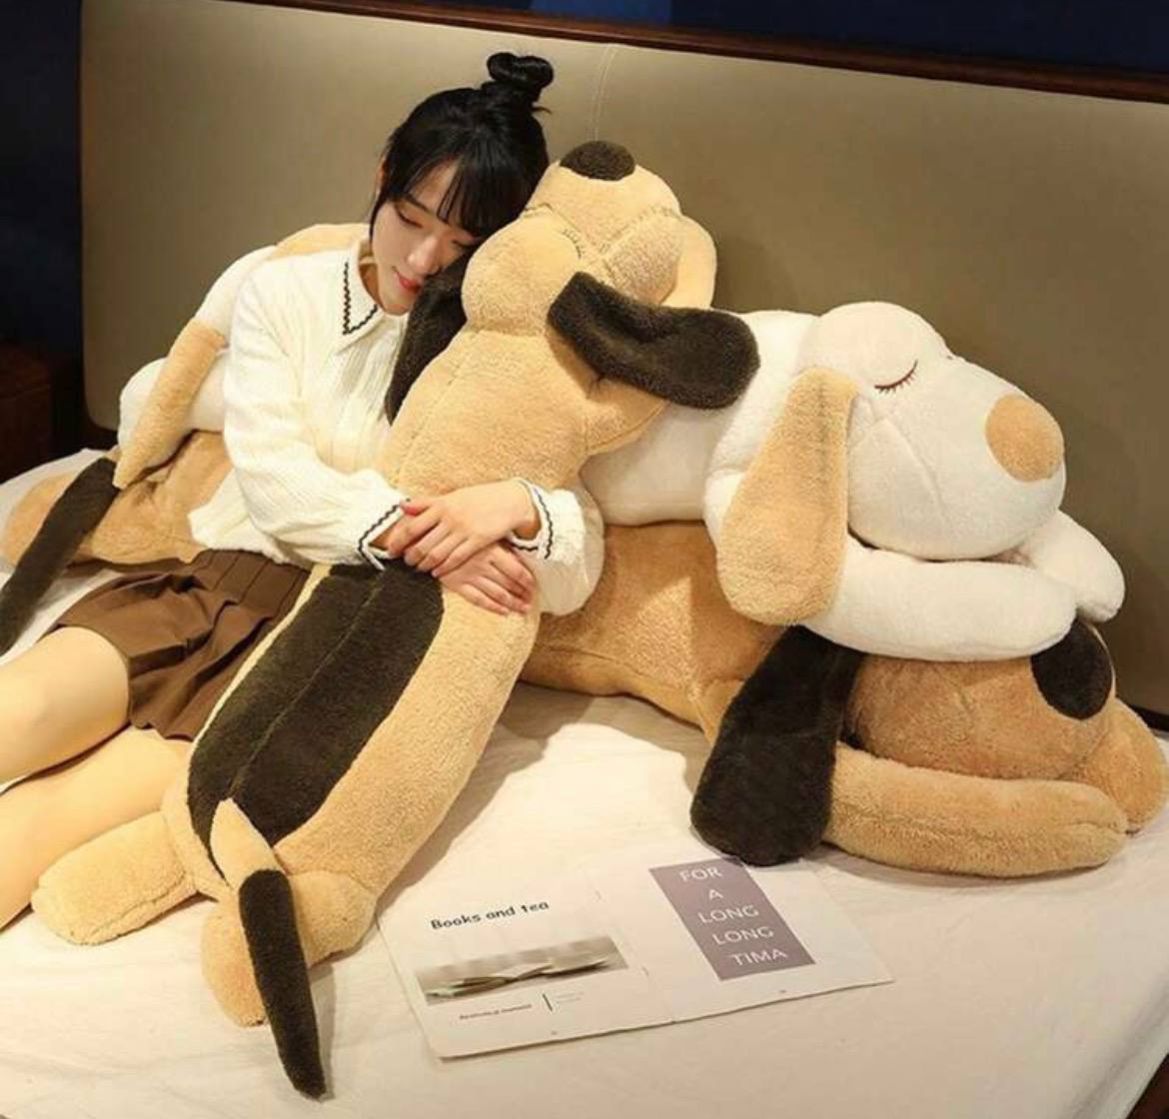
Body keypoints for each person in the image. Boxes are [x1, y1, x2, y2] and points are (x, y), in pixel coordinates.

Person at [0, 53, 602, 929]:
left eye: (464, 245)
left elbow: (577, 564)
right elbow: (275, 482)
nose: (424, 258)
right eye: (410, 218)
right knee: (18, 711)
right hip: (211, 585)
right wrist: (429, 538)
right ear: (383, 176)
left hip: (312, 647)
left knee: (38, 826)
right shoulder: (285, 292)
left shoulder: (500, 350)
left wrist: (514, 506)